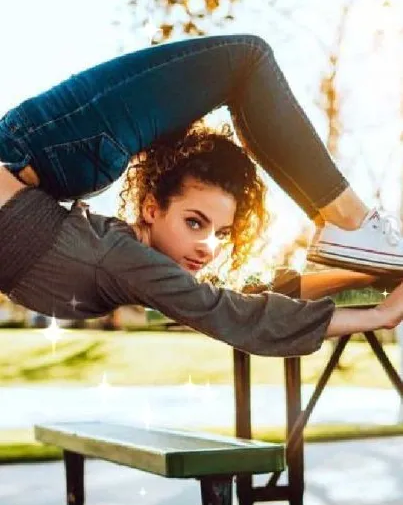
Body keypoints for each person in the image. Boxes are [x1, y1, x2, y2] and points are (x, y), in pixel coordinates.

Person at [1, 33, 403, 359]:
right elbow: (242, 314)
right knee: (246, 62)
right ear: (151, 207)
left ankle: (351, 235)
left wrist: (368, 274)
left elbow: (257, 296)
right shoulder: (126, 262)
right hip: (28, 154)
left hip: (39, 160)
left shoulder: (139, 269)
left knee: (248, 60)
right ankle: (351, 223)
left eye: (221, 232)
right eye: (195, 222)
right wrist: (380, 314)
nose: (208, 247)